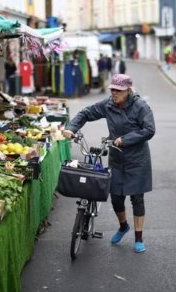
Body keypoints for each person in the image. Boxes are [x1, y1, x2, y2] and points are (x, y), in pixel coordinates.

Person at [62, 74, 155, 253]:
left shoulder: (140, 106)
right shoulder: (109, 104)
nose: (114, 93)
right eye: (112, 89)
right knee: (116, 197)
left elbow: (149, 130)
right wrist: (71, 128)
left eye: (118, 90)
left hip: (137, 160)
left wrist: (125, 139)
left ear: (128, 90)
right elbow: (86, 113)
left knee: (137, 198)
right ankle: (123, 226)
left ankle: (139, 238)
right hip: (117, 159)